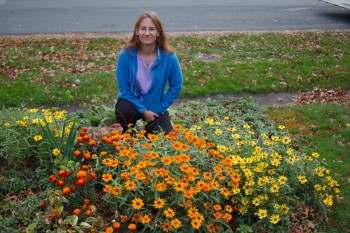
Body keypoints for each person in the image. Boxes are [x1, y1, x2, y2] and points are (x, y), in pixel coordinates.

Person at [115, 11, 183, 135]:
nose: (147, 33)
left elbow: (176, 86)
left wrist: (160, 108)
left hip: (155, 107)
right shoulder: (126, 55)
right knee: (124, 111)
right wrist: (143, 111)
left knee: (165, 137)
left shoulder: (169, 57)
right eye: (143, 29)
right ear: (137, 31)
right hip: (132, 104)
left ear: (158, 32)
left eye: (151, 29)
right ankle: (129, 132)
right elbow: (124, 89)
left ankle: (148, 129)